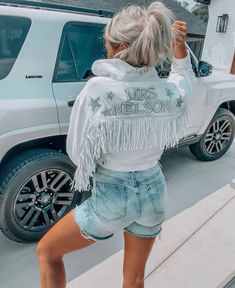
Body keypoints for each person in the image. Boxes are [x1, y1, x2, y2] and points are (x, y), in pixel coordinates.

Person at [36, 2, 195, 288]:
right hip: (155, 192)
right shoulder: (167, 91)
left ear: (120, 46)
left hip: (111, 197)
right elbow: (184, 79)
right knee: (134, 280)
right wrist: (179, 48)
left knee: (47, 252)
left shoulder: (98, 90)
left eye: (107, 43)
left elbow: (78, 153)